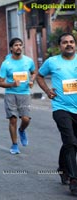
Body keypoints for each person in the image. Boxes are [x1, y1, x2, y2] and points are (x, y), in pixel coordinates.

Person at [36, 33, 77, 195]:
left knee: (72, 143)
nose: (69, 44)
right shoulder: (52, 62)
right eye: (65, 42)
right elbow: (39, 76)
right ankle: (74, 179)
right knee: (69, 140)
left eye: (72, 42)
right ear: (60, 45)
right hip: (61, 108)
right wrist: (47, 90)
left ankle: (62, 168)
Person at [0, 37, 37, 154]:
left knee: (25, 119)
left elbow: (34, 72)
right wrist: (12, 84)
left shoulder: (28, 61)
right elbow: (0, 82)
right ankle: (15, 144)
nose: (18, 47)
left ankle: (22, 130)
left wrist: (32, 81)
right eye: (16, 45)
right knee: (13, 119)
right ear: (11, 48)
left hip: (24, 94)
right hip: (11, 94)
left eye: (20, 45)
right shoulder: (6, 64)